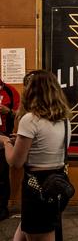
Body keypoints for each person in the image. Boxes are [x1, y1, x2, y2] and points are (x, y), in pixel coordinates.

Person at [0, 71, 70, 241]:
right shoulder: (65, 119)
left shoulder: (30, 120)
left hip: (36, 187)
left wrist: (6, 143)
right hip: (57, 183)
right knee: (31, 229)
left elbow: (16, 162)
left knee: (38, 232)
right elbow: (49, 147)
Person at [0, 78, 20, 221]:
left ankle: (1, 208)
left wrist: (8, 111)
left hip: (3, 139)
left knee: (1, 176)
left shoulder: (10, 91)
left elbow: (20, 115)